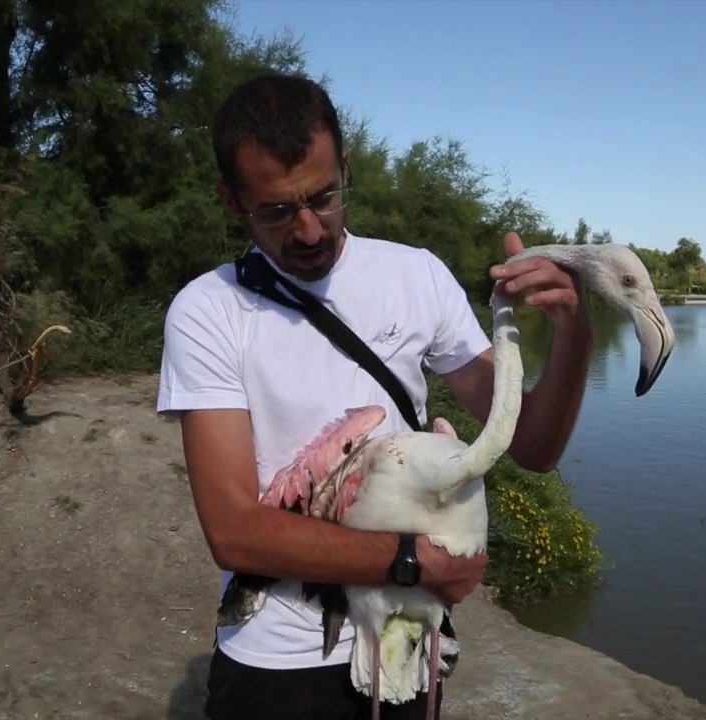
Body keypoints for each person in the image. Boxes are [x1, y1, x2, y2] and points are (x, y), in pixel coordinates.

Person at [156, 73, 593, 719]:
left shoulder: (414, 274)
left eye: (324, 197)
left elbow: (529, 445)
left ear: (345, 167)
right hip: (276, 665)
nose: (308, 230)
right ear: (230, 199)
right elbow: (235, 532)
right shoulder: (207, 312)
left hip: (403, 642)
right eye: (277, 210)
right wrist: (415, 562)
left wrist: (573, 338)